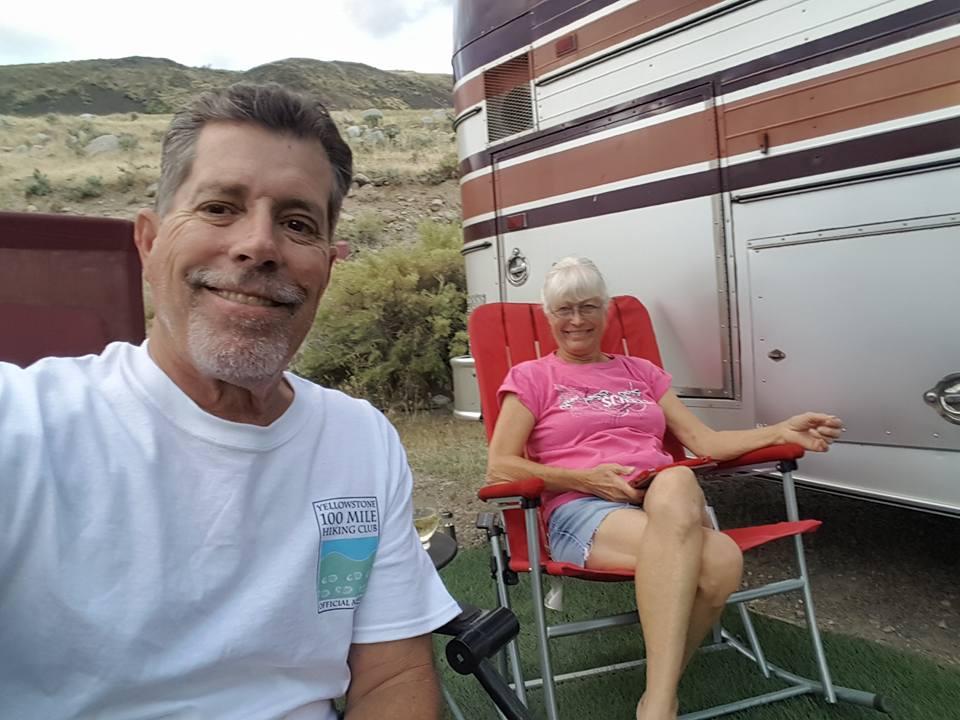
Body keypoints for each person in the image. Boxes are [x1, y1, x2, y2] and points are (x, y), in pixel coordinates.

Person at [0, 83, 461, 719]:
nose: (259, 245)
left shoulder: (359, 439)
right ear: (148, 243)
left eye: (297, 224)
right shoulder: (22, 423)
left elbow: (392, 676)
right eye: (219, 208)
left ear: (327, 266)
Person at [485, 256, 842, 720]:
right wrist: (586, 479)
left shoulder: (642, 372)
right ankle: (659, 702)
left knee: (676, 476)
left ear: (605, 311)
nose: (577, 320)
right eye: (564, 310)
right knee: (720, 559)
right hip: (584, 510)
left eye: (588, 307)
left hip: (663, 500)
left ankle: (657, 697)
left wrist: (779, 431)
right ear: (548, 316)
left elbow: (704, 442)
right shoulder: (532, 377)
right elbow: (500, 465)